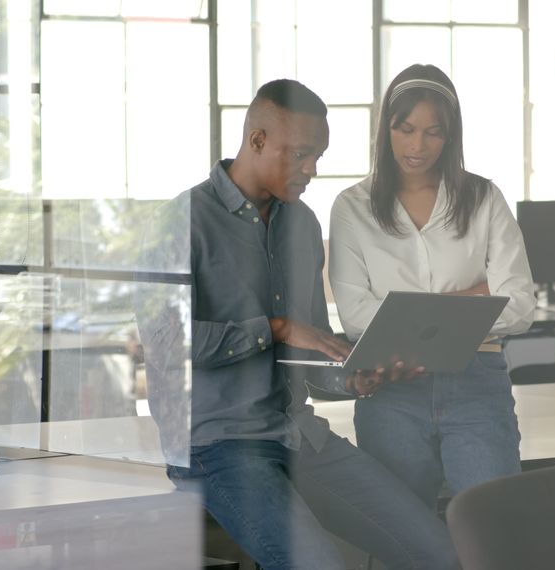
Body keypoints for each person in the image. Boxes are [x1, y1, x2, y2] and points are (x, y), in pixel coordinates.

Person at [134, 79, 458, 570]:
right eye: (302, 155)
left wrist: (351, 377)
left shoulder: (303, 223)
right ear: (257, 140)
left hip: (300, 436)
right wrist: (276, 328)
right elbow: (167, 346)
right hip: (218, 445)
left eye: (318, 157)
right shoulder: (179, 222)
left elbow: (310, 355)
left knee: (442, 552)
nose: (312, 170)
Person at [328, 63, 537, 509]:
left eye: (433, 132)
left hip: (476, 381)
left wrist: (406, 312)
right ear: (385, 128)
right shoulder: (352, 207)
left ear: (450, 135)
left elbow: (520, 307)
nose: (417, 146)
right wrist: (476, 296)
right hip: (392, 390)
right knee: (403, 532)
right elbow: (356, 318)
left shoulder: (485, 199)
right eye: (405, 129)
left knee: (495, 522)